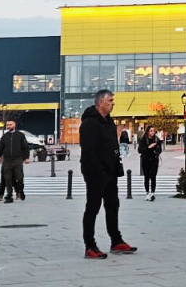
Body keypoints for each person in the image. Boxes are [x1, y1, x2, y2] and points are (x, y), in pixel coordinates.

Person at [79, 90, 137, 259]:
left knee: (113, 206)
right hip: (95, 173)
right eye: (110, 100)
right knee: (93, 207)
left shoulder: (109, 123)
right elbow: (88, 152)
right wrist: (99, 170)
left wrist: (116, 166)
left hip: (110, 172)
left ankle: (116, 240)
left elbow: (112, 148)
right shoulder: (90, 123)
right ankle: (89, 245)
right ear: (101, 103)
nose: (113, 103)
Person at [0, 120, 30, 203]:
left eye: (10, 125)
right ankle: (9, 196)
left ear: (14, 125)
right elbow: (0, 147)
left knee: (19, 177)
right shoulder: (5, 136)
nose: (8, 126)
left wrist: (26, 157)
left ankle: (20, 191)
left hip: (17, 159)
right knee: (8, 178)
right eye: (7, 125)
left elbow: (25, 147)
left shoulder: (20, 135)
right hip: (7, 160)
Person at [137, 126, 163, 201]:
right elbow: (140, 150)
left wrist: (157, 150)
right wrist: (149, 147)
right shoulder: (144, 140)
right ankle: (147, 192)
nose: (152, 132)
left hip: (154, 159)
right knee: (147, 177)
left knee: (153, 176)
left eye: (153, 131)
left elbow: (160, 149)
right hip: (145, 160)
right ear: (148, 132)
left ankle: (152, 192)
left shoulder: (156, 139)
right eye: (151, 131)